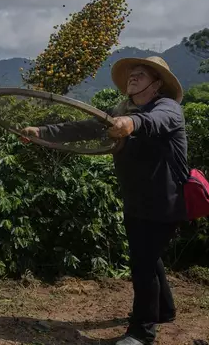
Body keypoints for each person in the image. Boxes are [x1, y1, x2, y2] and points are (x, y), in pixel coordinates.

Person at [20, 56, 187, 345]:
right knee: (148, 256)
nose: (132, 78)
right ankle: (165, 310)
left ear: (156, 83)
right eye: (131, 75)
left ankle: (141, 332)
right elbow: (85, 127)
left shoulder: (167, 108)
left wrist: (130, 123)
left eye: (140, 75)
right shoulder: (121, 110)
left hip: (165, 201)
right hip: (136, 199)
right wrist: (42, 132)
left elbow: (151, 122)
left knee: (143, 263)